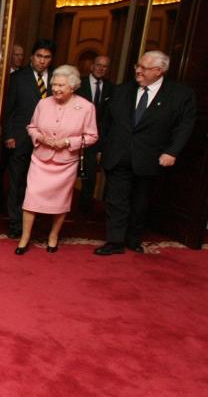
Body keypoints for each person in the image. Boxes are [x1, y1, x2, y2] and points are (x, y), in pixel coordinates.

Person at [95, 50, 196, 255]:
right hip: (118, 154)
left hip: (150, 157)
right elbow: (106, 121)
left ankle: (133, 239)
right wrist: (101, 148)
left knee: (140, 202)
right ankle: (114, 242)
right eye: (137, 66)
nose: (138, 71)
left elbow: (184, 126)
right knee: (116, 200)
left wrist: (172, 152)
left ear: (159, 71)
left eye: (144, 68)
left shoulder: (180, 95)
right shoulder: (121, 90)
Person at [14, 65, 98, 255]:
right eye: (54, 85)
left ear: (73, 86)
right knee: (31, 198)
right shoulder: (43, 104)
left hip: (65, 163)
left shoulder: (86, 107)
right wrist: (41, 137)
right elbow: (32, 127)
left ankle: (53, 236)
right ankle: (24, 238)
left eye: (61, 85)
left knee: (60, 202)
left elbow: (92, 136)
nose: (56, 89)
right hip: (41, 159)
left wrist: (68, 142)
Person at [2, 38, 55, 238]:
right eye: (39, 56)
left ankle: (37, 224)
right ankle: (16, 224)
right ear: (32, 57)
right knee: (17, 182)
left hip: (48, 141)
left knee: (41, 184)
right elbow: (9, 109)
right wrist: (9, 135)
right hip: (20, 138)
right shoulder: (18, 78)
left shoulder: (57, 79)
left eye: (47, 57)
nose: (42, 61)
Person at [75, 55, 113, 212]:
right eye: (98, 65)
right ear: (92, 66)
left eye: (104, 66)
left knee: (89, 176)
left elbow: (107, 118)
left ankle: (84, 210)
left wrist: (101, 146)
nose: (100, 68)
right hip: (74, 135)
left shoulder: (111, 88)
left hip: (95, 139)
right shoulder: (78, 84)